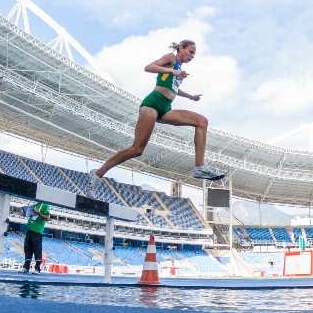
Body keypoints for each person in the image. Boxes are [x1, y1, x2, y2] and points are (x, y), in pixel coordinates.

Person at [87, 40, 224, 196]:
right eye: (191, 51)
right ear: (181, 48)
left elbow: (173, 88)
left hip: (166, 108)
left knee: (201, 121)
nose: (192, 56)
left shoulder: (179, 68)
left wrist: (190, 96)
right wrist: (172, 72)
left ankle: (200, 167)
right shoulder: (170, 59)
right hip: (152, 104)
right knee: (137, 149)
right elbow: (148, 67)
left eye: (194, 54)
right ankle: (97, 173)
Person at [20, 201, 50, 274]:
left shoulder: (45, 205)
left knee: (37, 248)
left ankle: (37, 268)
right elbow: (30, 216)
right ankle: (26, 266)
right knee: (27, 248)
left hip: (38, 230)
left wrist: (38, 213)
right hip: (30, 228)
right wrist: (25, 213)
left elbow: (47, 218)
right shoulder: (33, 206)